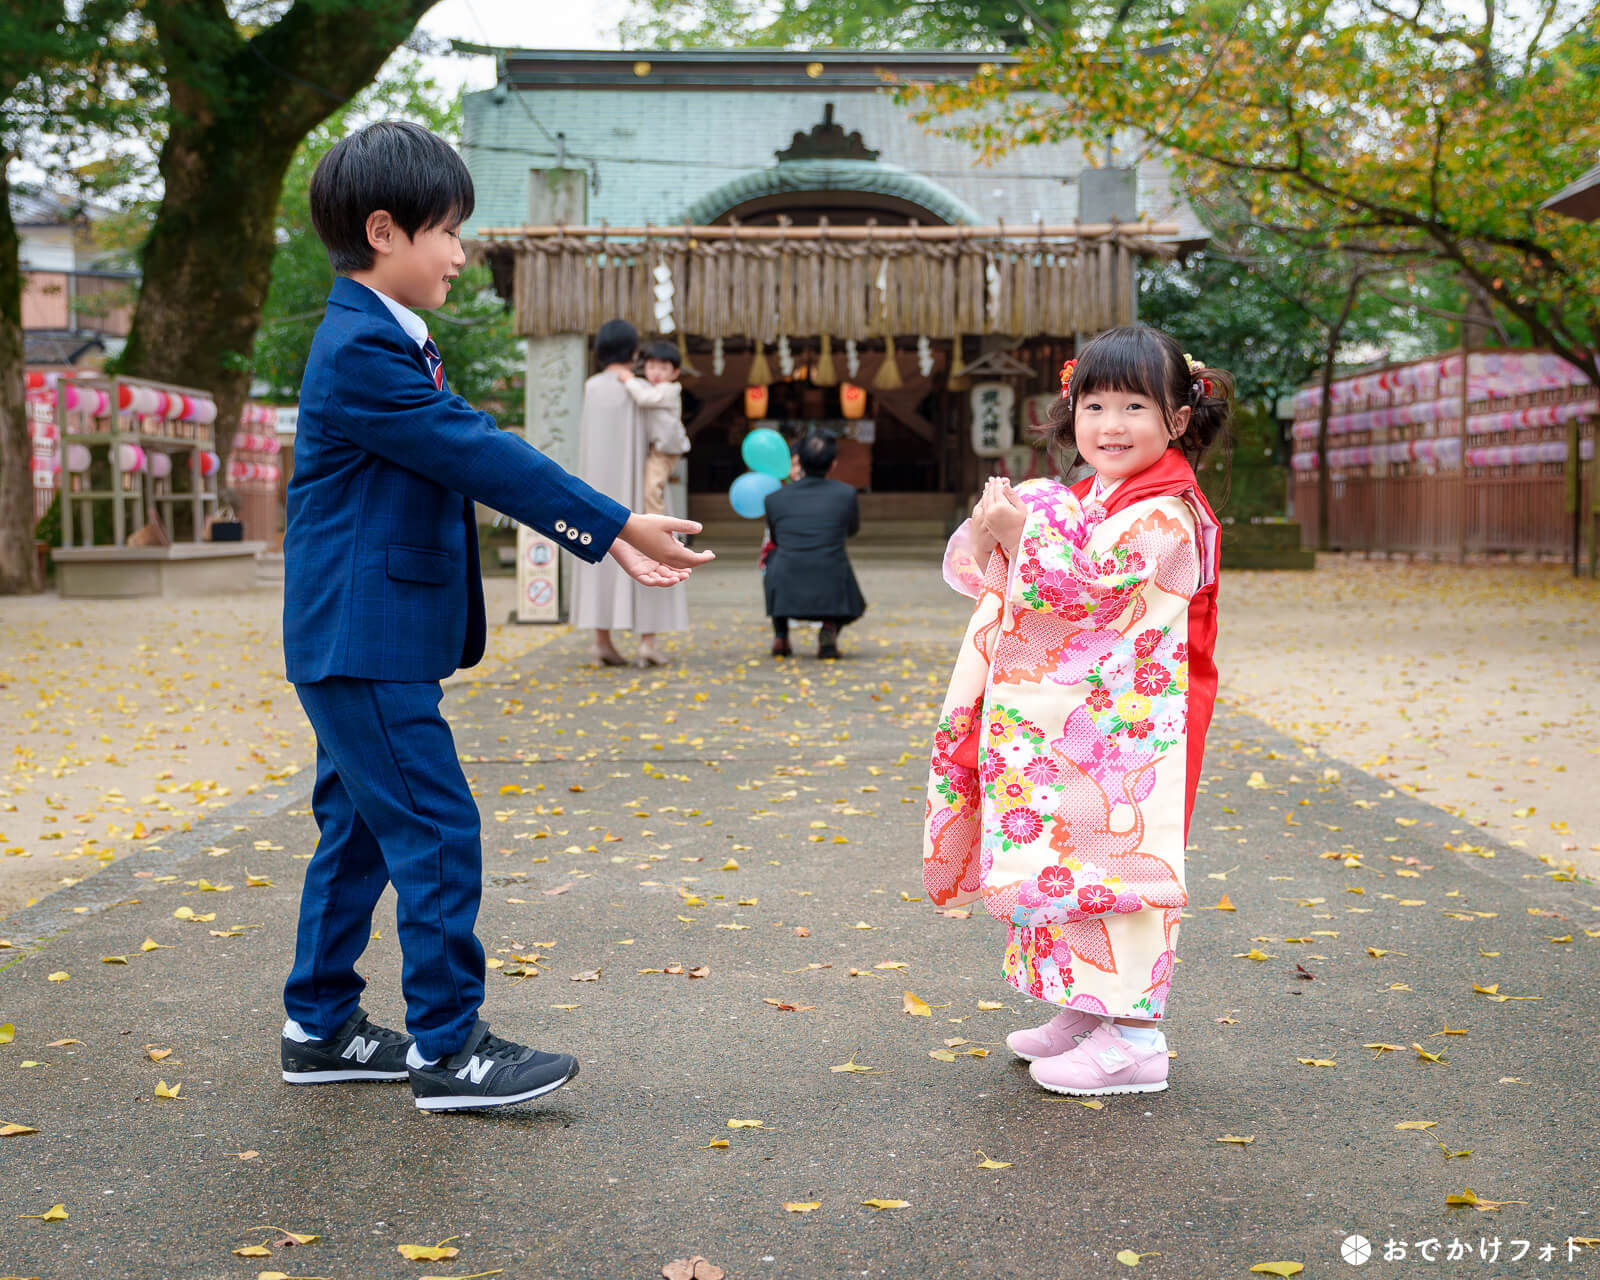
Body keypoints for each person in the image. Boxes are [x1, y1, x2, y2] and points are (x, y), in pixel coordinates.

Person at [279, 121, 712, 1112]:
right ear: (384, 231)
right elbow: (474, 452)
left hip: (358, 635)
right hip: (363, 637)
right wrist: (613, 524)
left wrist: (606, 523)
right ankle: (448, 1046)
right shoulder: (359, 347)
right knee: (432, 824)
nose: (461, 253)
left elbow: (465, 438)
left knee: (356, 829)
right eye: (449, 231)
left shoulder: (383, 337)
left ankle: (320, 1024)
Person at [921, 324, 1231, 1098]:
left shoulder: (1168, 512)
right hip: (1089, 711)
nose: (1111, 425)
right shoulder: (1099, 493)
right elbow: (1051, 573)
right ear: (1070, 411)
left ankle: (1135, 1038)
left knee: (1121, 854)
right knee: (1067, 849)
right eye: (1094, 405)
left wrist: (1022, 534)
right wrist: (1019, 533)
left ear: (1178, 421)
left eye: (1135, 406)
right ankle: (1086, 1004)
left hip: (1137, 721)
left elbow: (1094, 601)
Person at [572, 320, 691, 667]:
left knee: (600, 556)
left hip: (595, 491)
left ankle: (600, 642)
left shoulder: (592, 387)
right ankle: (647, 644)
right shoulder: (641, 386)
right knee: (652, 555)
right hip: (639, 491)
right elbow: (663, 436)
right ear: (634, 352)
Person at [761, 430, 866, 659]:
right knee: (835, 561)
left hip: (786, 581)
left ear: (799, 460)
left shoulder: (774, 498)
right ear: (833, 464)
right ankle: (829, 628)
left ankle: (781, 635)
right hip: (830, 579)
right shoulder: (846, 494)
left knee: (773, 558)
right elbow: (851, 530)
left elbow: (777, 539)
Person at [620, 340, 691, 518]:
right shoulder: (654, 388)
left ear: (675, 373)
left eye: (663, 368)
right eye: (651, 367)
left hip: (666, 451)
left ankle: (657, 526)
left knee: (651, 489)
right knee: (653, 488)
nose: (656, 372)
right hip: (659, 448)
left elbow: (644, 398)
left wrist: (628, 380)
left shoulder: (669, 390)